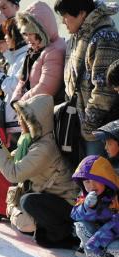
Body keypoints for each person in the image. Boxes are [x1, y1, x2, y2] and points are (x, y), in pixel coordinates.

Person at [0, 94, 79, 247]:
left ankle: (66, 233)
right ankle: (55, 232)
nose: (18, 120)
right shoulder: (31, 141)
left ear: (34, 122)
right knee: (25, 205)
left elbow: (13, 174)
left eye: (22, 118)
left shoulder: (44, 147)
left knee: (28, 201)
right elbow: (11, 161)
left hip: (69, 203)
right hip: (54, 198)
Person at [55, 0, 119, 157]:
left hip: (98, 132)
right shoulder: (78, 36)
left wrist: (88, 126)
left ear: (82, 13)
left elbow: (105, 90)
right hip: (81, 129)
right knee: (85, 179)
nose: (63, 21)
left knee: (99, 178)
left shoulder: (105, 36)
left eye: (65, 16)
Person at [71, 155, 119, 257]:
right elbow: (74, 215)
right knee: (81, 226)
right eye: (87, 181)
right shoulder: (85, 195)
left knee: (115, 245)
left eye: (95, 180)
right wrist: (87, 207)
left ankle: (110, 253)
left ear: (105, 179)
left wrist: (98, 240)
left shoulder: (116, 195)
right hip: (101, 238)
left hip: (112, 235)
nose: (91, 185)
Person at [11, 1, 65, 103]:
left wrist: (21, 103)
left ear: (43, 31)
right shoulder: (34, 51)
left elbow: (45, 89)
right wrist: (15, 100)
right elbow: (23, 81)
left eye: (31, 33)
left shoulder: (54, 52)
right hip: (31, 109)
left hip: (44, 113)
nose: (28, 38)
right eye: (25, 34)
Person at [0, 17, 28, 149]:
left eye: (7, 34)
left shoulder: (24, 56)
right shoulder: (16, 57)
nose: (5, 38)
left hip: (21, 121)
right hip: (14, 122)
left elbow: (16, 86)